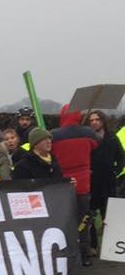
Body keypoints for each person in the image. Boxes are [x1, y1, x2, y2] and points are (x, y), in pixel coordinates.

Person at [50, 104, 99, 266]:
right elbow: (97, 144)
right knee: (83, 221)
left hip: (63, 185)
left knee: (63, 220)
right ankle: (84, 255)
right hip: (84, 184)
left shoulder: (54, 135)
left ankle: (64, 254)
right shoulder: (88, 133)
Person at [86, 111, 124, 256]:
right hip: (92, 183)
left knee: (109, 217)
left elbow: (121, 157)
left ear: (103, 121)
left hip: (108, 183)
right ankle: (93, 246)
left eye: (97, 119)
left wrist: (116, 171)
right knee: (90, 218)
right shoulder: (88, 139)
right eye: (91, 120)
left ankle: (113, 248)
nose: (94, 122)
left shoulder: (112, 137)